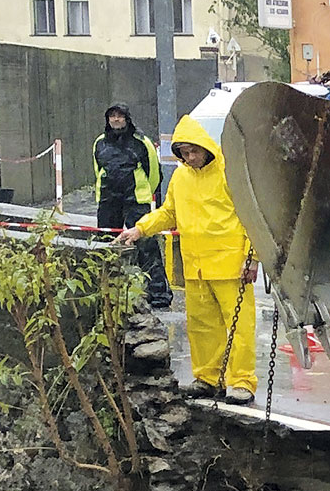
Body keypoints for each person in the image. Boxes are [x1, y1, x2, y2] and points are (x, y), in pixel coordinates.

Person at [113, 116, 258, 403]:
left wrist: (251, 258)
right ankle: (208, 378)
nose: (190, 157)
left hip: (230, 264)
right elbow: (168, 213)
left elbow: (251, 215)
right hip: (195, 265)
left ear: (206, 147)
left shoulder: (230, 171)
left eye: (194, 151)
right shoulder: (180, 177)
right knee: (201, 326)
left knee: (240, 326)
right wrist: (140, 229)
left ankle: (241, 382)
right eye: (184, 152)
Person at [94, 104, 170, 303]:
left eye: (120, 116)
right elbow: (98, 170)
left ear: (127, 118)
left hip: (136, 199)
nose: (116, 120)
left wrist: (145, 192)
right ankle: (107, 291)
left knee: (147, 245)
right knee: (106, 243)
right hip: (108, 200)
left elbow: (154, 172)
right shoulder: (100, 143)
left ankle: (158, 293)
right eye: (112, 116)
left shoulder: (142, 142)